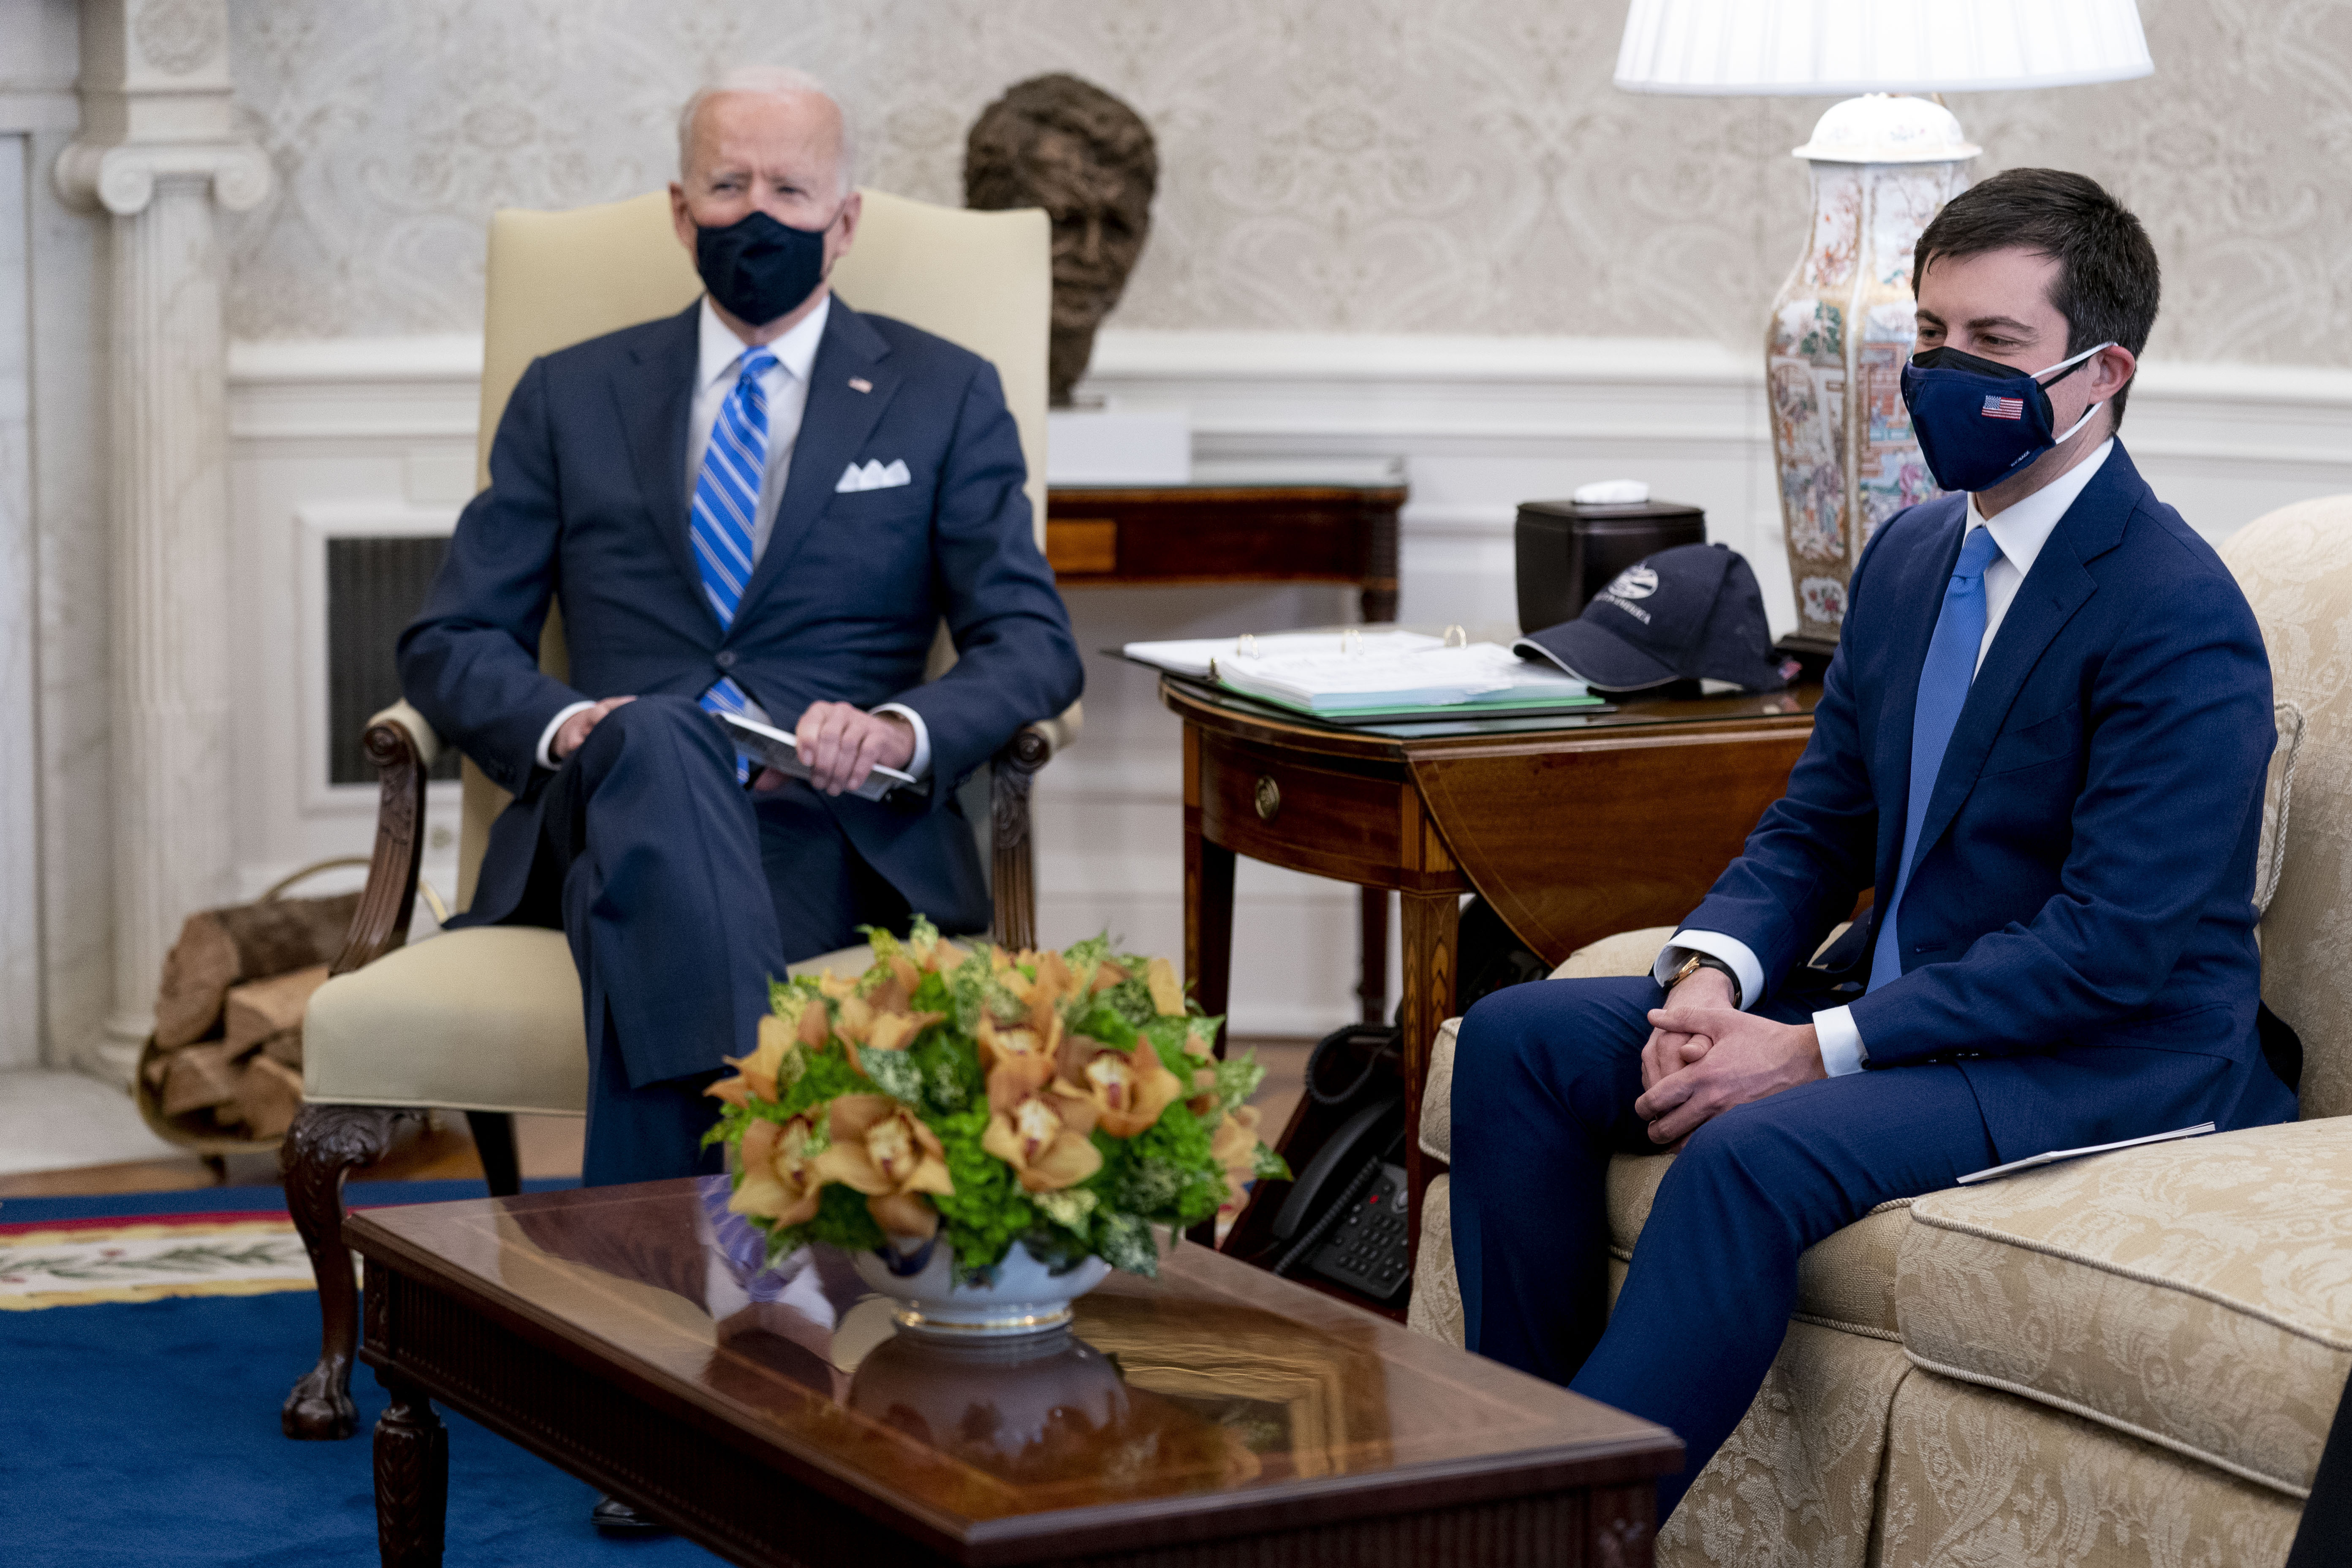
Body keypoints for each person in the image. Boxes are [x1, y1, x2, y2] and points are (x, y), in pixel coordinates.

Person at [1448, 168, 2299, 1524]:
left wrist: (1805, 1050)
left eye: (1994, 345)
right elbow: (1818, 818)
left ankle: (1555, 1543)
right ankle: (1522, 1467)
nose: (1944, 374)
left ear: (2100, 373)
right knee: (1517, 1038)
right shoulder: (1907, 557)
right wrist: (1711, 982)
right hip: (1898, 1004)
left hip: (2104, 1049)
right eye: (1932, 336)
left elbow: (2112, 945)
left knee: (1752, 1151)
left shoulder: (2174, 608)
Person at [400, 66, 1084, 1191]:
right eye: (727, 184)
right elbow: (450, 637)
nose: (756, 213)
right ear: (681, 211)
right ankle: (747, 1224)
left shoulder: (941, 392)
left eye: (790, 188)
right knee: (660, 742)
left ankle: (646, 1281)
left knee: (647, 913)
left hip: (825, 827)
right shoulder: (570, 394)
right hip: (605, 795)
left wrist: (896, 730)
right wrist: (573, 725)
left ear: (844, 220)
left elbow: (1030, 640)